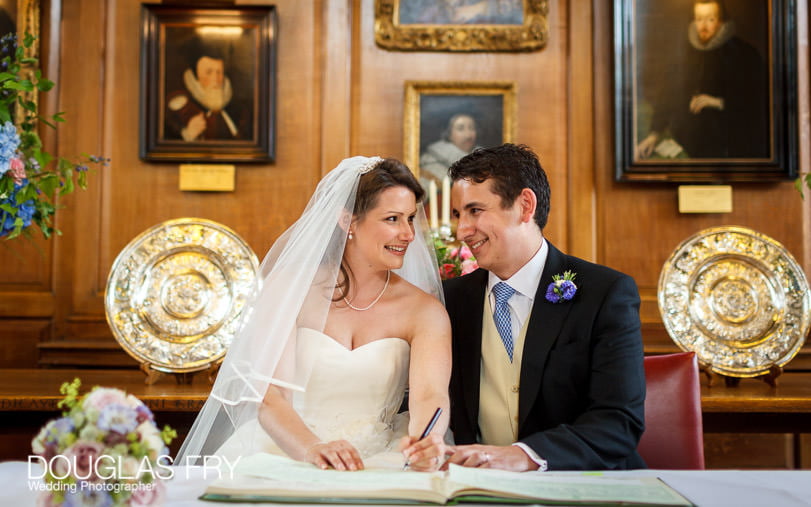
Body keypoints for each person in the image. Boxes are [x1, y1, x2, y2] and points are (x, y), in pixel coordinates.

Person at [177, 156, 451, 472]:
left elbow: (429, 395)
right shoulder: (289, 288)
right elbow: (271, 396)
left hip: (382, 458)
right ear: (348, 220)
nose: (408, 234)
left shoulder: (425, 310)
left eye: (411, 219)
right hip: (285, 449)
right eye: (392, 219)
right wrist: (312, 448)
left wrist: (425, 441)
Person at [402, 144, 645, 472]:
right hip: (477, 488)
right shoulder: (447, 302)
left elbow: (619, 422)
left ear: (524, 206)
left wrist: (525, 455)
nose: (461, 232)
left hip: (582, 483)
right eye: (459, 215)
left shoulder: (605, 294)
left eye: (475, 211)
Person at [636, 0, 768, 159]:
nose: (703, 26)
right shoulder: (683, 53)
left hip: (731, 148)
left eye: (710, 19)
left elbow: (758, 102)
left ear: (721, 21)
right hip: (687, 145)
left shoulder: (744, 54)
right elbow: (668, 96)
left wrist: (719, 103)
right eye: (699, 19)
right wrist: (654, 134)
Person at [165, 41, 251, 142]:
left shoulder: (239, 111)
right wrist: (188, 135)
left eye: (219, 72)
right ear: (195, 78)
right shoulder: (180, 108)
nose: (216, 79)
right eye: (208, 72)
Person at [420, 113, 480, 186]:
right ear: (448, 133)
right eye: (460, 129)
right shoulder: (431, 165)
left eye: (472, 128)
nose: (468, 135)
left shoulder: (485, 161)